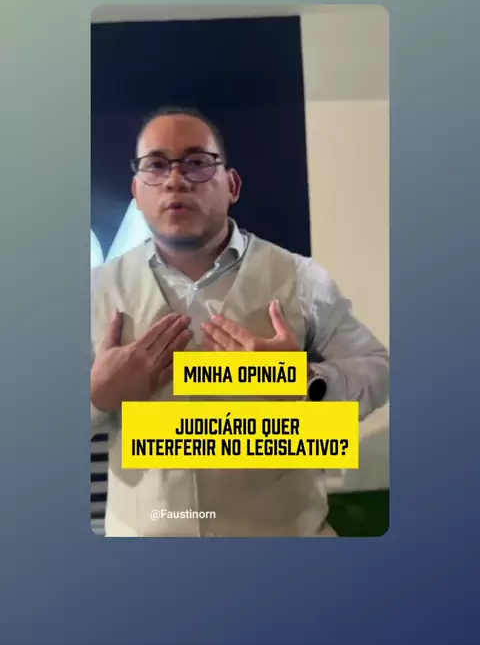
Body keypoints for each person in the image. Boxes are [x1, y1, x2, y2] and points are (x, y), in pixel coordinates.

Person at [91, 106, 389, 537]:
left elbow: (378, 371)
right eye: (156, 165)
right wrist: (97, 395)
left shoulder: (301, 278)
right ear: (137, 190)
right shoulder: (95, 291)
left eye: (196, 162)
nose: (175, 180)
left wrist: (299, 381)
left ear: (231, 185)